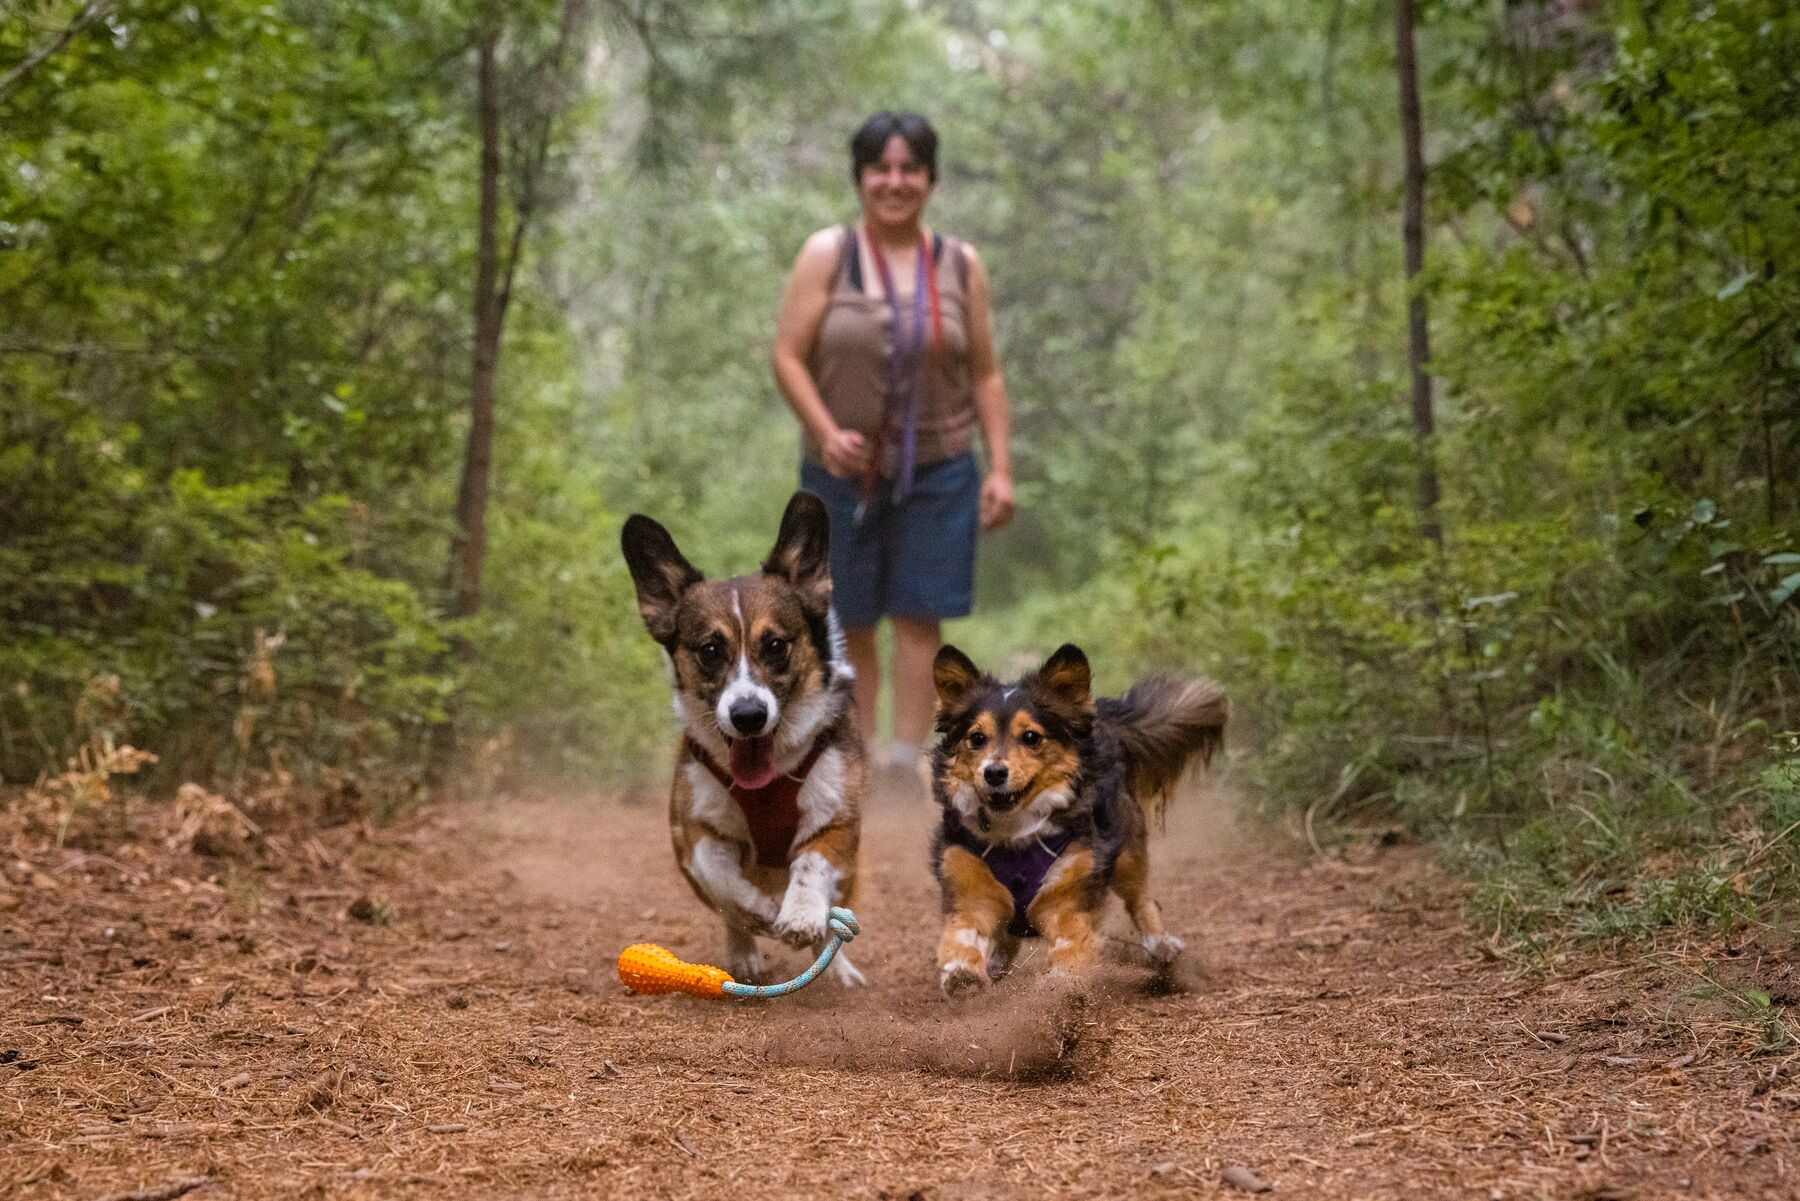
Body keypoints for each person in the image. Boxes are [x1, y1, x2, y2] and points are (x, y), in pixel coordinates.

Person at [771, 111, 1015, 789]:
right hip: (840, 473)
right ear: (860, 178)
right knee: (847, 616)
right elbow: (787, 356)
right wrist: (824, 429)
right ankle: (858, 756)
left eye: (910, 168)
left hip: (940, 469)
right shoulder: (829, 254)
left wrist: (1001, 468)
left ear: (931, 179)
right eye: (881, 167)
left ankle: (907, 763)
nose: (895, 181)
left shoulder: (961, 265)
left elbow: (987, 373)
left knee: (918, 614)